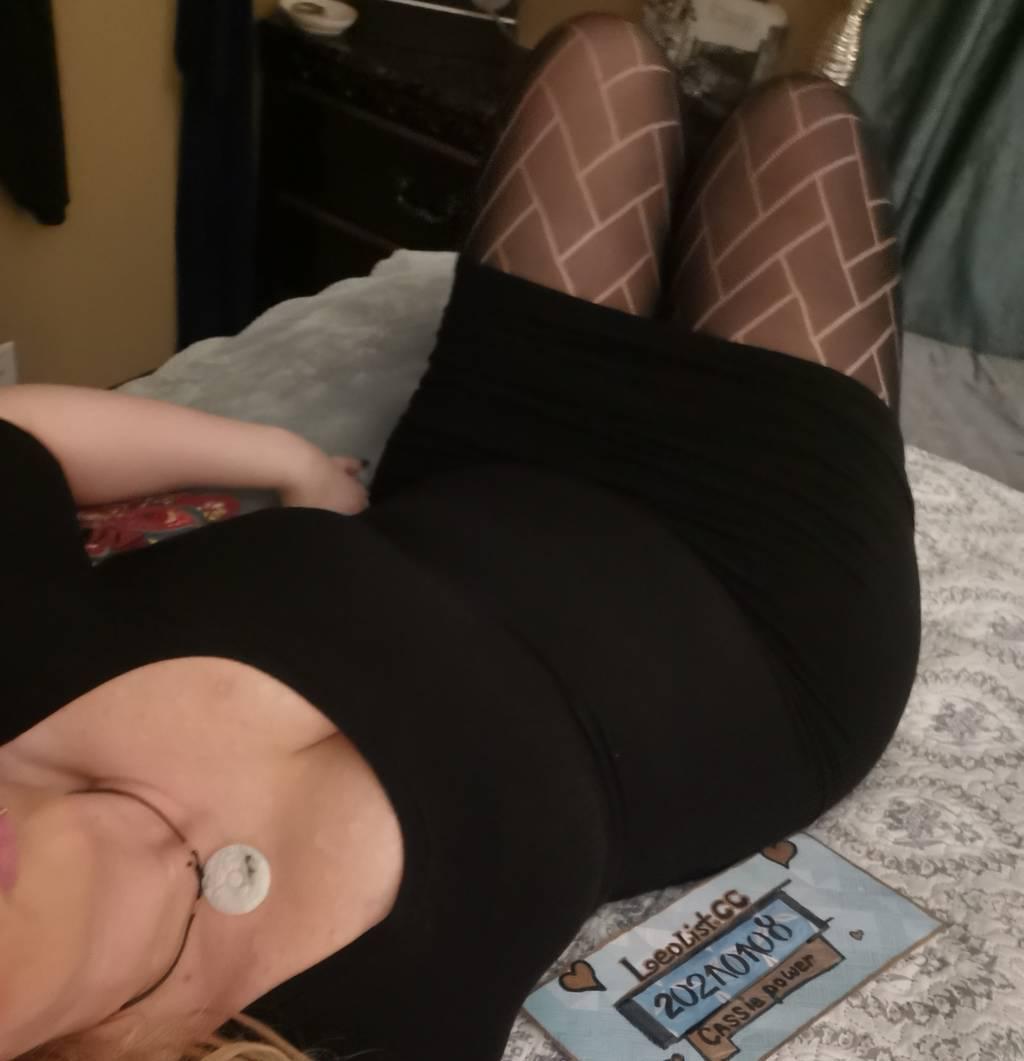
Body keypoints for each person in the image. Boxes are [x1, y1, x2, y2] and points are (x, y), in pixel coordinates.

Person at [0, 14, 919, 1061]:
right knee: (801, 124)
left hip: (500, 453)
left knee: (605, 58)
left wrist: (283, 459)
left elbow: (15, 433)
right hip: (751, 612)